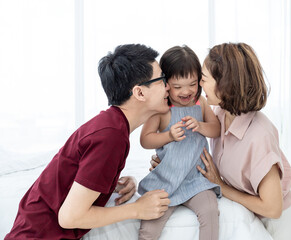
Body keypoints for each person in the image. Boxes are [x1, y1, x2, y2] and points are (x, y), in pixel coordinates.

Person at [5, 44, 171, 240]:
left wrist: (116, 183)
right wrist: (138, 209)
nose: (168, 86)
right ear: (139, 93)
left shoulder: (112, 126)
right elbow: (70, 217)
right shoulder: (111, 136)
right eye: (162, 79)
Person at [152, 43, 291, 240]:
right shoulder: (221, 114)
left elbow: (273, 208)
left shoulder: (259, 135)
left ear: (225, 84)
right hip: (250, 216)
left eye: (204, 79)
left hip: (281, 225)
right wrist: (171, 164)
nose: (199, 85)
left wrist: (220, 186)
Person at [137, 45, 221, 240]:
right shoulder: (162, 108)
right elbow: (145, 139)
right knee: (150, 224)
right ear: (166, 84)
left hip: (196, 180)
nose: (186, 91)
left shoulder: (201, 102)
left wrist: (200, 126)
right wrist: (169, 136)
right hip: (167, 180)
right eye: (177, 87)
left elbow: (216, 130)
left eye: (192, 84)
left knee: (210, 211)